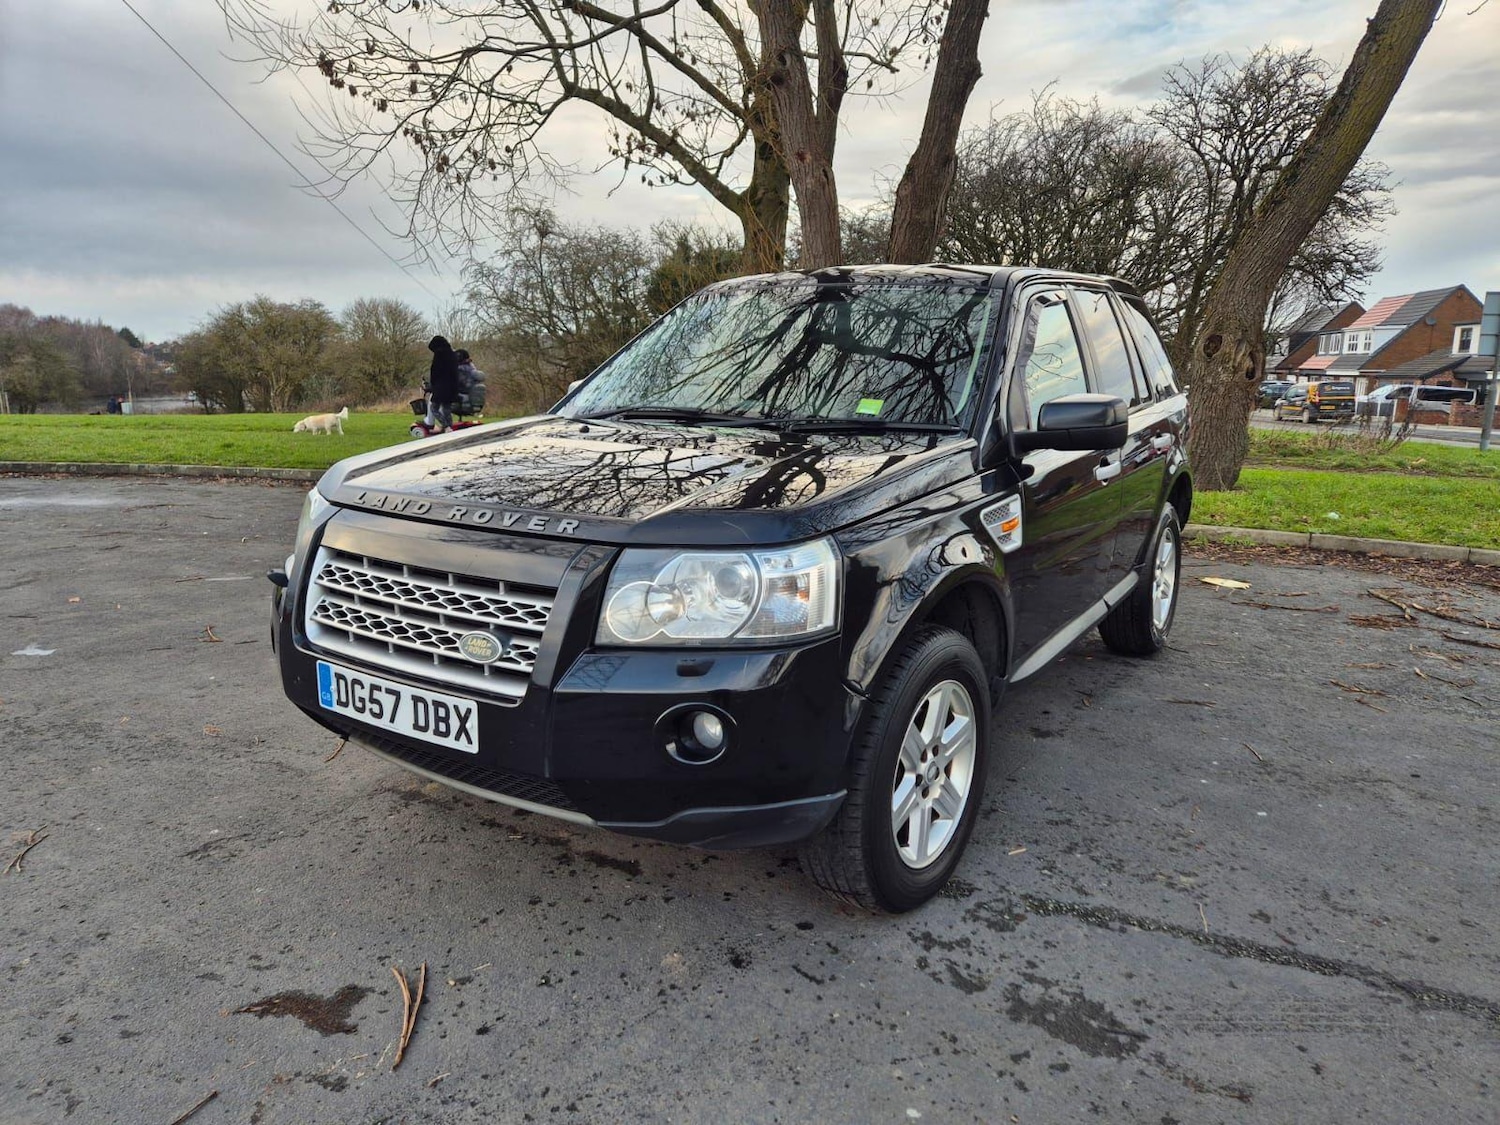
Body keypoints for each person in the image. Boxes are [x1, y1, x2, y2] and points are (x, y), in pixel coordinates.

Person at [427, 335, 459, 432]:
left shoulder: (439, 355)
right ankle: (450, 426)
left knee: (434, 407)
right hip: (452, 385)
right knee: (446, 408)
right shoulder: (453, 355)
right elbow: (455, 372)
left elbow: (435, 372)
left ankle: (446, 426)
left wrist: (432, 386)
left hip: (440, 386)